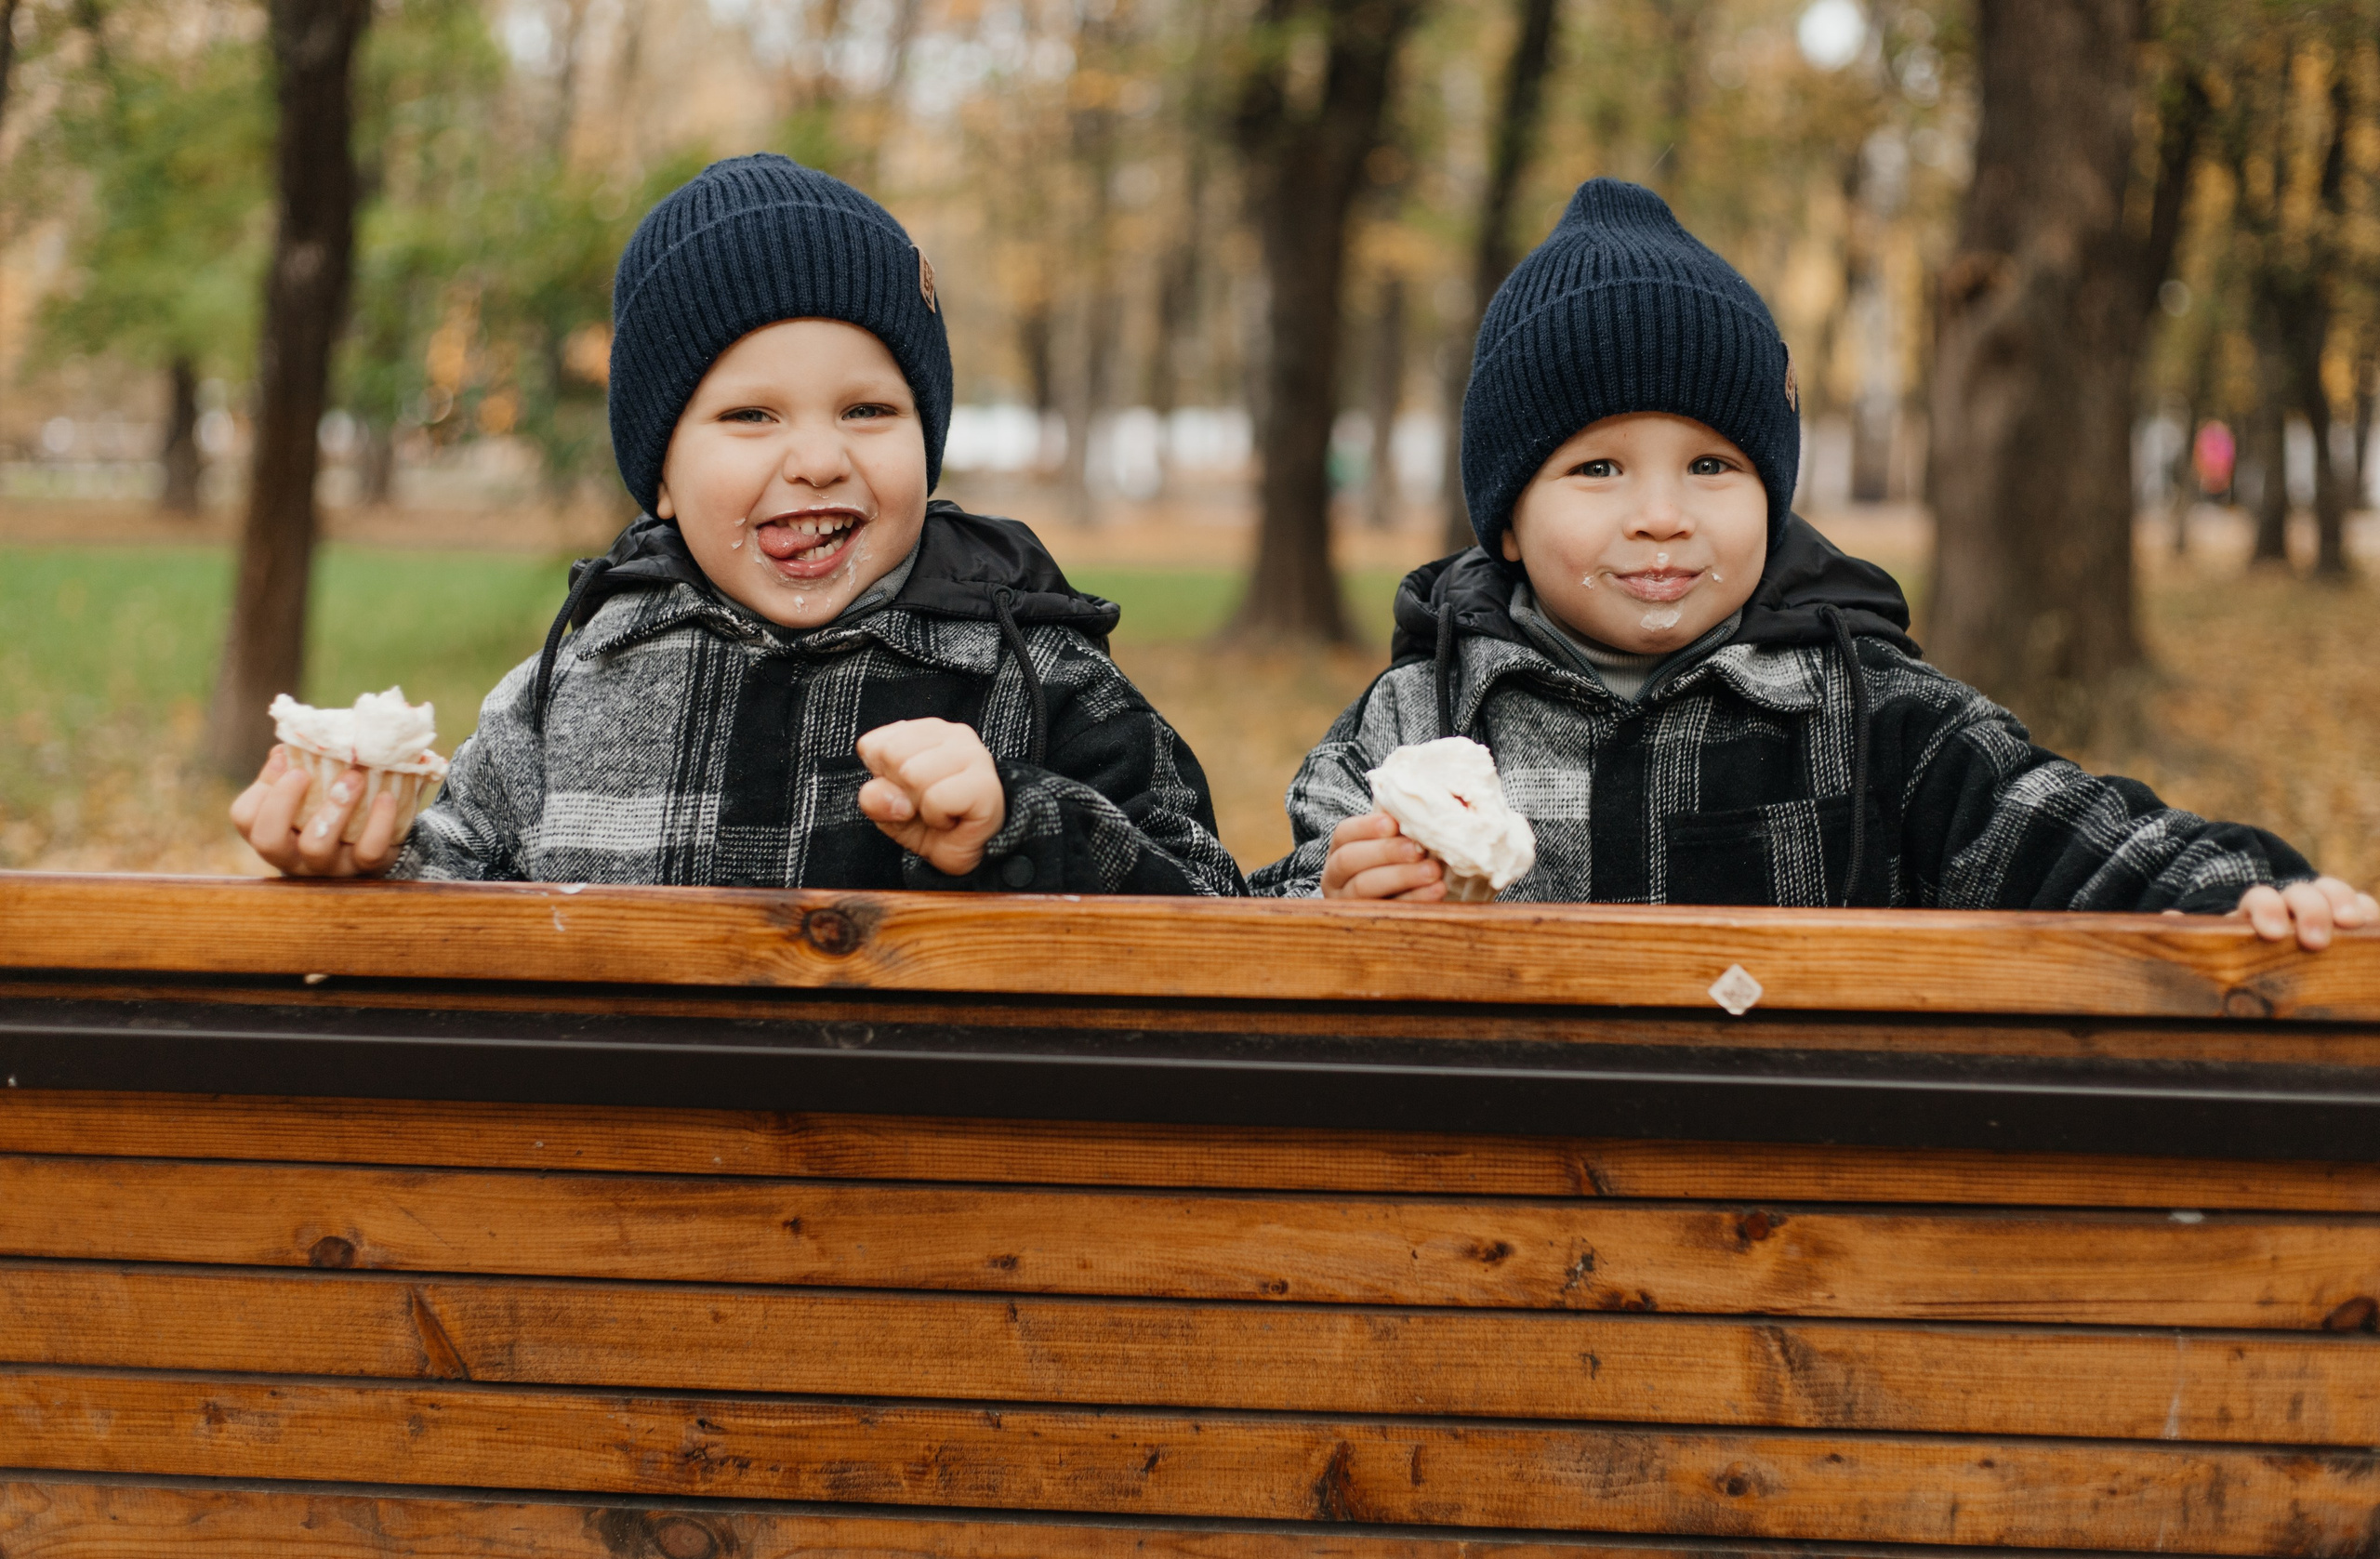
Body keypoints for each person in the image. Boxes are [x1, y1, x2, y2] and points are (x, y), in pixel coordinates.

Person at [1252, 178, 2375, 948]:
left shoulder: (1865, 709)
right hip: (1502, 1236)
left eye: (1711, 467)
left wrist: (2246, 893)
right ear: (1502, 521)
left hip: (1800, 1240)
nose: (1659, 517)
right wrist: (1335, 900)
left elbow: (2067, 838)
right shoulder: (1418, 721)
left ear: (1772, 496)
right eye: (1595, 472)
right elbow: (1264, 917)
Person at [232, 154, 1242, 897]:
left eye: (868, 411)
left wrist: (1020, 818)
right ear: (661, 480)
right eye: (749, 415)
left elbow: (1216, 915)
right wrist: (353, 856)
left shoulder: (1037, 671)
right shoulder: (574, 686)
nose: (815, 457)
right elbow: (449, 917)